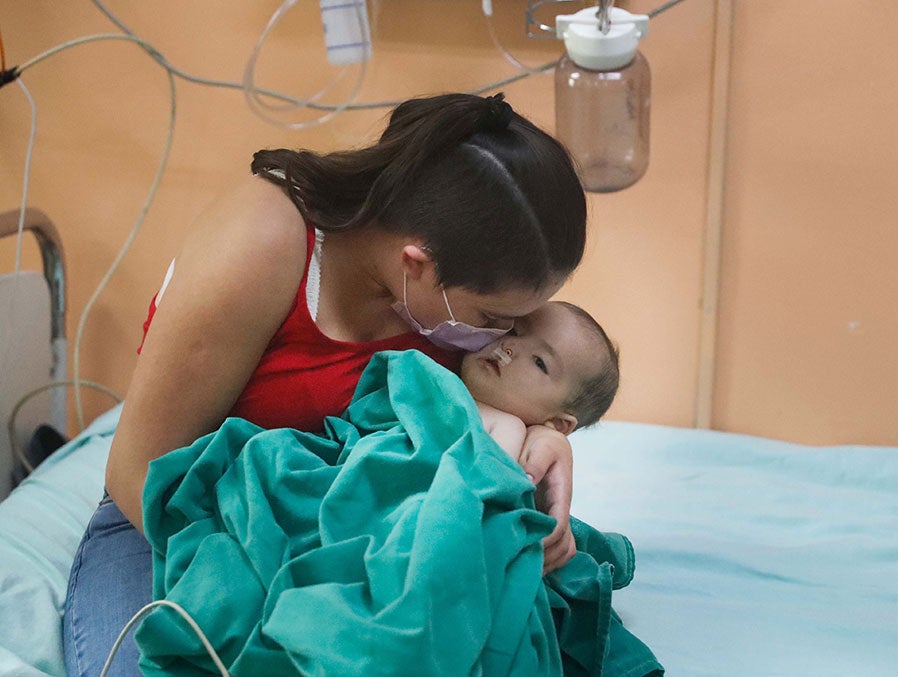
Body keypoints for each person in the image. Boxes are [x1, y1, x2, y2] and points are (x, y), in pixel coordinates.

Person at [63, 92, 587, 677]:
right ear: (417, 262)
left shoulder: (437, 286)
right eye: (491, 320)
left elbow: (503, 393)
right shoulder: (262, 241)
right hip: (180, 529)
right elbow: (137, 475)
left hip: (353, 535)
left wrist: (545, 437)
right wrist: (288, 594)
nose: (497, 339)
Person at [465, 301, 620, 466]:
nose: (508, 346)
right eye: (514, 331)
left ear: (556, 423)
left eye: (539, 362)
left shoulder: (505, 437)